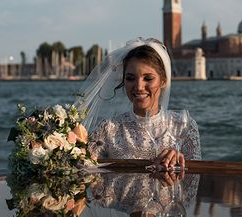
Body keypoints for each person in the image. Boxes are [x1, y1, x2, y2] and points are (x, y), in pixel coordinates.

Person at [76, 37, 201, 172]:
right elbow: (82, 170)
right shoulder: (108, 129)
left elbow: (193, 182)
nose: (139, 86)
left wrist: (177, 166)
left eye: (148, 78)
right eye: (130, 78)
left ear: (163, 81)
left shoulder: (184, 127)